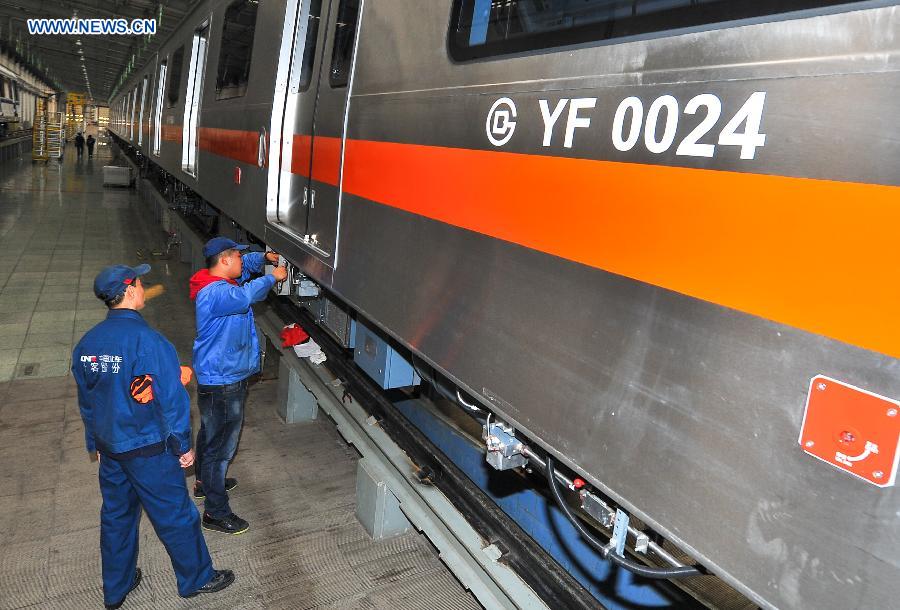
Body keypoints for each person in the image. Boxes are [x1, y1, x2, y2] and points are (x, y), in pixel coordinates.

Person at [72, 264, 235, 608]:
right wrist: (182, 446)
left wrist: (95, 443)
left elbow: (88, 400)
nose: (144, 287)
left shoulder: (87, 344)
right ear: (130, 290)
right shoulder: (149, 342)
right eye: (141, 282)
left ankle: (116, 588)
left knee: (117, 517)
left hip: (111, 448)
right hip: (148, 449)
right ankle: (197, 578)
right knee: (175, 515)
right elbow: (172, 401)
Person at [189, 237, 286, 535]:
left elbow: (245, 273)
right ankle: (216, 513)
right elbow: (245, 296)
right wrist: (273, 276)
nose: (243, 262)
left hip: (218, 375)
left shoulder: (216, 280)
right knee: (221, 447)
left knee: (209, 432)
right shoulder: (215, 293)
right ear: (225, 260)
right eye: (239, 257)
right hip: (224, 380)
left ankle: (205, 482)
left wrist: (265, 258)